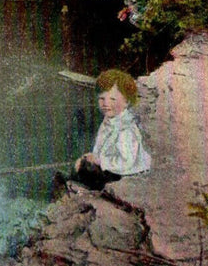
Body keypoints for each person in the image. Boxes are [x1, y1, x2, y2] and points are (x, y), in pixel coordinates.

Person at [52, 69, 151, 197]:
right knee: (80, 167)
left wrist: (100, 161)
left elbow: (127, 162)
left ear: (126, 101)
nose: (105, 104)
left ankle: (78, 188)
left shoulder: (126, 129)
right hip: (110, 165)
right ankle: (73, 183)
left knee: (84, 171)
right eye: (101, 99)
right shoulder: (109, 120)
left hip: (124, 172)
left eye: (112, 99)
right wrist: (92, 156)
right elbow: (100, 146)